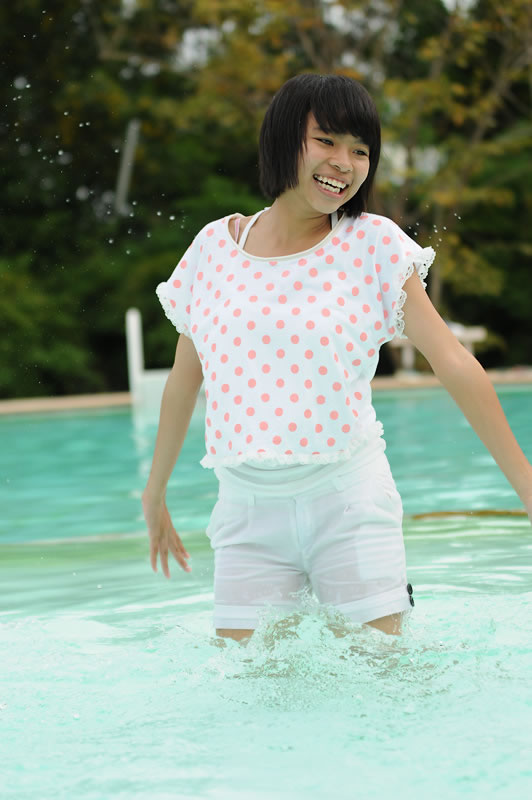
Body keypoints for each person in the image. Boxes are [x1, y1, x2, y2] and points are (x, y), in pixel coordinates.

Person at [142, 73, 532, 644]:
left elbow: (453, 362)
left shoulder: (373, 244)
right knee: (247, 685)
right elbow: (184, 382)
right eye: (326, 141)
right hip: (246, 513)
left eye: (360, 150)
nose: (343, 164)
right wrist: (154, 492)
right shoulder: (213, 248)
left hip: (349, 504)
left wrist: (526, 486)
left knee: (383, 679)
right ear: (283, 139)